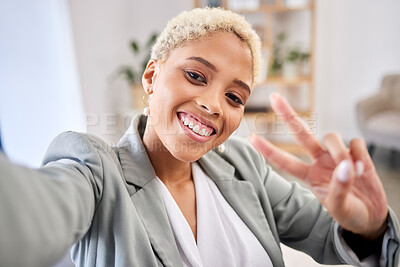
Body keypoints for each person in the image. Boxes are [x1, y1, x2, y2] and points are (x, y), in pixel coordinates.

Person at [0, 7, 399, 267]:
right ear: (152, 77)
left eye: (234, 96)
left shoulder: (244, 165)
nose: (213, 105)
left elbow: (330, 235)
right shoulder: (96, 170)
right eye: (195, 75)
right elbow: (34, 213)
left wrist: (370, 227)